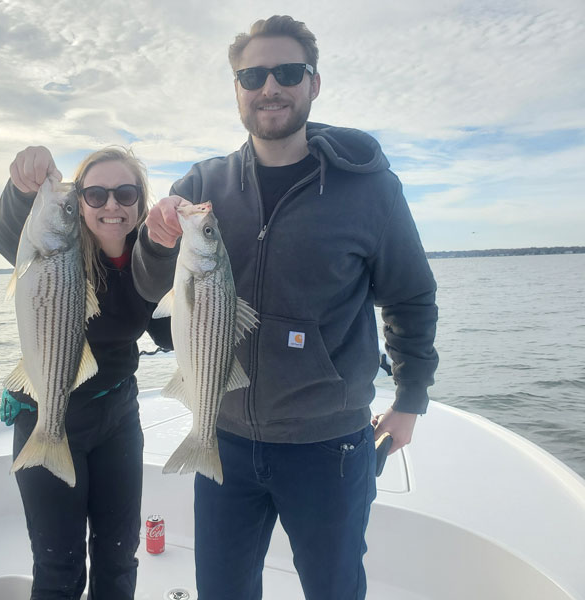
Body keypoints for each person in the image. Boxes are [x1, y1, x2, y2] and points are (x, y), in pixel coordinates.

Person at [131, 15, 439, 600]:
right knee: (221, 590)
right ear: (238, 90)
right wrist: (155, 238)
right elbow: (150, 288)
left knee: (334, 589)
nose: (269, 87)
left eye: (287, 72)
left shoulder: (369, 188)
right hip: (224, 437)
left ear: (313, 84)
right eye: (252, 75)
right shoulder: (203, 185)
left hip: (331, 447)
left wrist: (411, 399)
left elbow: (411, 296)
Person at [0, 145, 172, 600]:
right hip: (48, 413)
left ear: (140, 202)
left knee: (118, 556)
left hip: (118, 417)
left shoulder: (147, 257)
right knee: (59, 564)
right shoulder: (55, 249)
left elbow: (168, 335)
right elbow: (6, 234)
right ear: (81, 206)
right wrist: (21, 188)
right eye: (94, 195)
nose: (112, 205)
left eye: (125, 193)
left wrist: (182, 275)